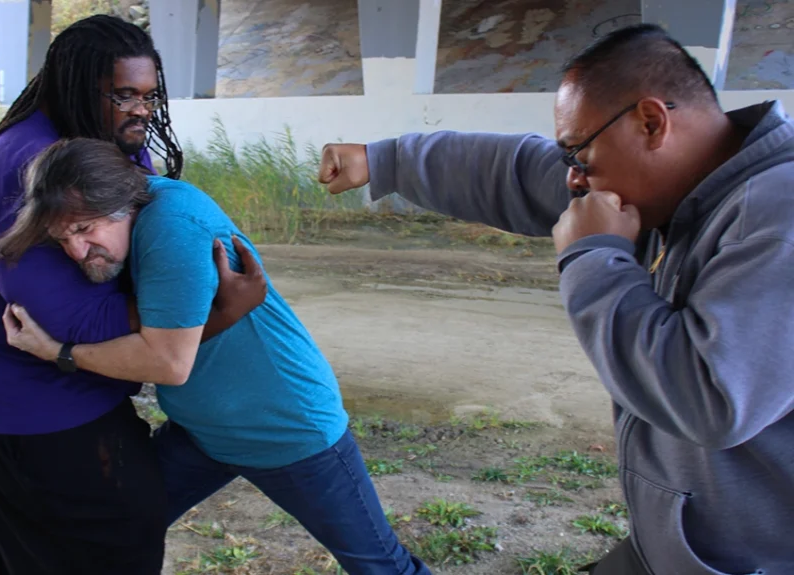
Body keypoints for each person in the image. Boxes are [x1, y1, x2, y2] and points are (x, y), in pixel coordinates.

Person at [316, 23, 794, 575]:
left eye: (581, 154)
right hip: (685, 549)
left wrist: (595, 256)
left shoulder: (775, 221)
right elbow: (523, 171)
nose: (572, 179)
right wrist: (387, 161)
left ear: (651, 122)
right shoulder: (688, 189)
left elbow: (710, 397)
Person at [0, 15, 266, 575]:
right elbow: (73, 320)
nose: (142, 110)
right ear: (77, 86)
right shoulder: (22, 167)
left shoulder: (107, 141)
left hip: (43, 375)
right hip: (10, 376)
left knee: (16, 526)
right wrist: (213, 311)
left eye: (150, 95)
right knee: (115, 526)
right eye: (123, 95)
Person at [0, 137, 432, 575]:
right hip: (205, 433)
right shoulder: (134, 220)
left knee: (381, 567)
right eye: (62, 238)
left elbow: (168, 364)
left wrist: (58, 353)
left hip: (286, 428)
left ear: (125, 200)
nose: (77, 253)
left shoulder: (171, 226)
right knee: (114, 527)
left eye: (85, 230)